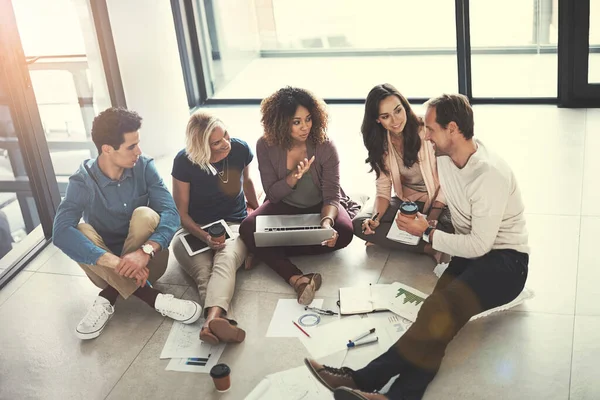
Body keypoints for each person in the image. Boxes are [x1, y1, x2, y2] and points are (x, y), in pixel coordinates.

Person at [305, 94, 530, 400]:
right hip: (473, 256)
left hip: (506, 265)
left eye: (432, 128)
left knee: (440, 311)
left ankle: (362, 378)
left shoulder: (489, 174)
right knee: (435, 320)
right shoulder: (445, 158)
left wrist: (428, 233)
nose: (425, 134)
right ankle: (394, 397)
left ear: (453, 129)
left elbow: (479, 244)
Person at [53, 107, 201, 340]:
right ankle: (155, 299)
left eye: (138, 144)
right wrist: (115, 262)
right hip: (105, 269)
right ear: (107, 149)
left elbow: (171, 212)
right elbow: (60, 232)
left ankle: (108, 297)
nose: (138, 151)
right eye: (131, 147)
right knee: (80, 230)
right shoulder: (82, 180)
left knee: (145, 214)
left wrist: (145, 251)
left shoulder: (144, 166)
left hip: (150, 264)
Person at [239, 86, 355, 305]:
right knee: (247, 228)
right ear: (282, 123)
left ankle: (268, 250)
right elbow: (272, 195)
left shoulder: (325, 146)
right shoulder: (265, 145)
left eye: (308, 119)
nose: (305, 127)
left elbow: (331, 196)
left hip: (319, 206)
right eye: (297, 122)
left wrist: (327, 223)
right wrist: (293, 177)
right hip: (284, 204)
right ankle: (297, 279)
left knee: (346, 233)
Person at [171, 111, 259, 345]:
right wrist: (205, 236)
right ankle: (220, 322)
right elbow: (181, 214)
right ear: (201, 147)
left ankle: (210, 324)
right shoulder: (184, 162)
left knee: (225, 259)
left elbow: (248, 182)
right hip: (193, 229)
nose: (226, 144)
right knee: (203, 271)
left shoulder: (240, 149)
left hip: (234, 224)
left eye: (226, 135)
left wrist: (258, 218)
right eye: (216, 142)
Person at [353, 84, 451, 262]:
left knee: (450, 228)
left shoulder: (427, 130)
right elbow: (383, 190)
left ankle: (397, 239)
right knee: (360, 224)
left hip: (440, 202)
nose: (395, 120)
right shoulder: (381, 142)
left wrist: (432, 219)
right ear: (377, 120)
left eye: (398, 111)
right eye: (385, 116)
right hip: (407, 203)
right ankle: (426, 247)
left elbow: (449, 179)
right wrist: (375, 219)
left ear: (405, 106)